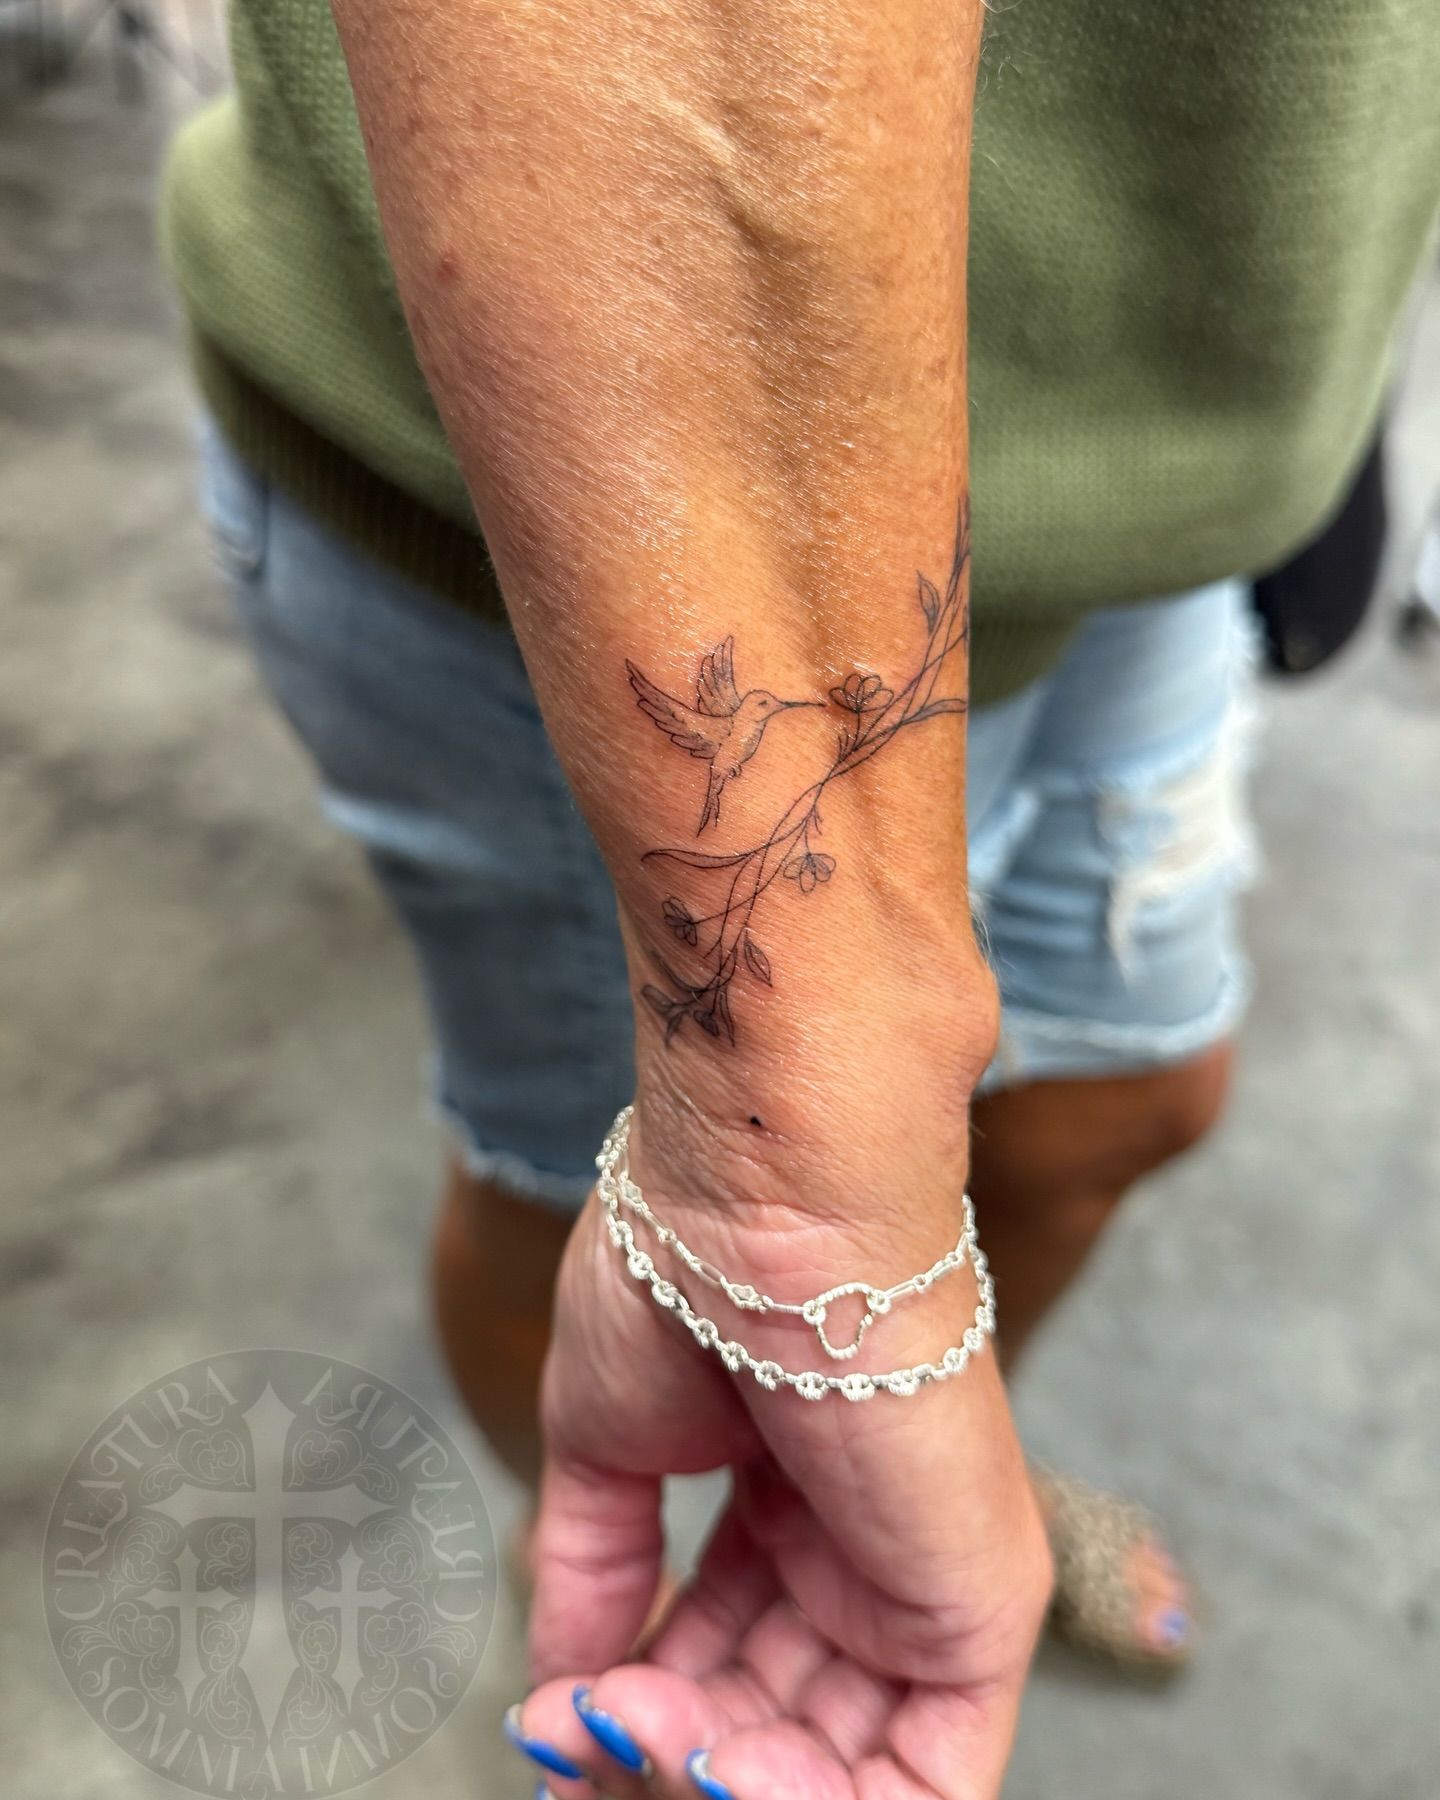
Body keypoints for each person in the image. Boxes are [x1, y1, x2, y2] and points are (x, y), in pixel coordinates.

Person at [163, 1, 1440, 1793]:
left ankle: (877, 1443)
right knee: (596, 1203)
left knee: (1125, 1099)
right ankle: (606, 1550)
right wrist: (802, 1196)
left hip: (1161, 476)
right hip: (591, 525)